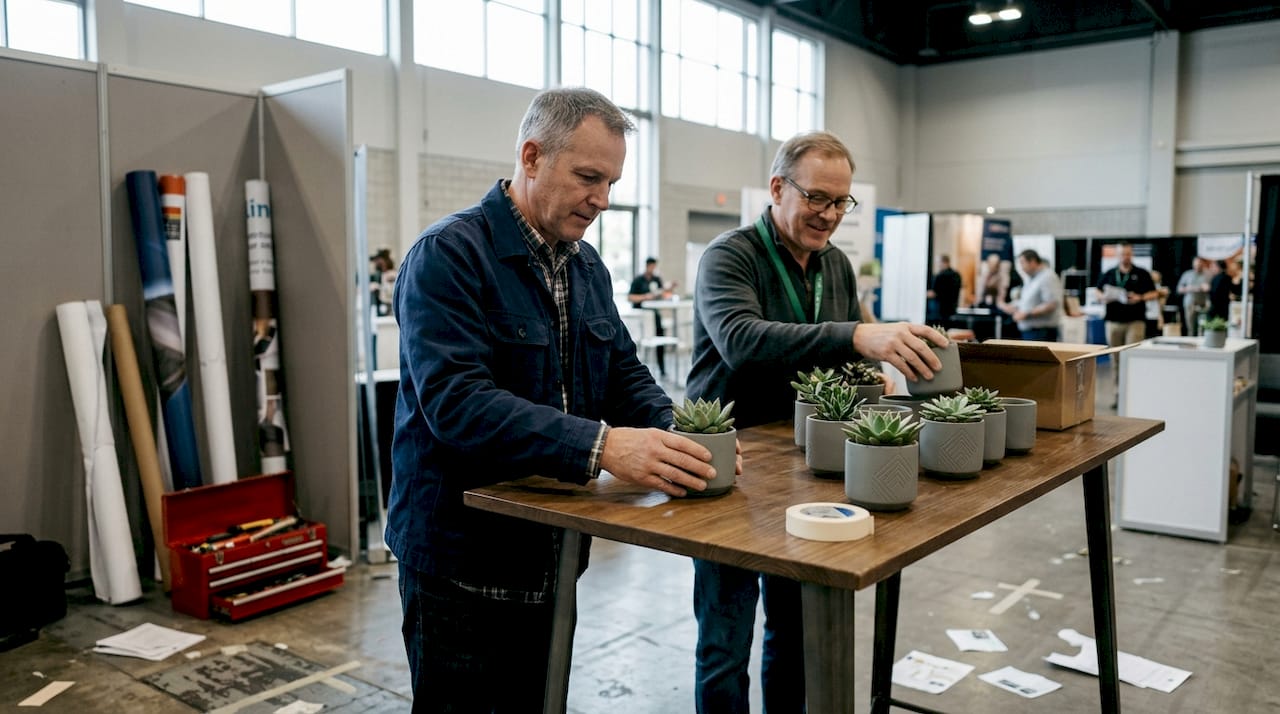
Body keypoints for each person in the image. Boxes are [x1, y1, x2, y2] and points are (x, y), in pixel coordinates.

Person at [387, 87, 722, 712]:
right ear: (533, 156)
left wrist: (680, 430)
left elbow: (623, 371)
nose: (602, 199)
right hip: (461, 564)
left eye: (612, 182)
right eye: (589, 177)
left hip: (553, 552)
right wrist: (602, 446)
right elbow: (458, 403)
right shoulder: (451, 257)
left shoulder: (586, 266)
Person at [685, 130, 947, 713]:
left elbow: (842, 349)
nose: (829, 215)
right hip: (729, 466)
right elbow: (742, 342)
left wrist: (875, 366)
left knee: (794, 628)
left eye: (840, 202)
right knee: (725, 641)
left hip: (805, 466)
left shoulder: (836, 266)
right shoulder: (730, 256)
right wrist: (858, 335)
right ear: (778, 188)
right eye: (817, 198)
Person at [1094, 242, 1157, 349]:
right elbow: (1097, 291)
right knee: (1114, 354)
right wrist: (1103, 297)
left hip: (1135, 320)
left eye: (1128, 254)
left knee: (1132, 352)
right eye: (1122, 254)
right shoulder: (1110, 273)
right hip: (1113, 320)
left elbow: (1154, 293)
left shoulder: (1142, 273)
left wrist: (1140, 297)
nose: (1125, 257)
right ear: (1117, 255)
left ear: (1131, 254)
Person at [999, 249, 1061, 341]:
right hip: (1030, 331)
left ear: (1032, 262)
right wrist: (1013, 306)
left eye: (1022, 263)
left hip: (1041, 332)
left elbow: (1051, 304)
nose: (1021, 267)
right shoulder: (1030, 278)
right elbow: (1028, 301)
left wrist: (1026, 314)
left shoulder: (1048, 277)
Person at [628, 256, 674, 376]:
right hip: (642, 316)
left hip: (654, 315)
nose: (653, 268)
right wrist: (645, 297)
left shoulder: (657, 279)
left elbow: (661, 295)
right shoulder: (638, 280)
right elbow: (630, 297)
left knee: (660, 338)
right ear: (647, 266)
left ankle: (662, 368)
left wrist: (668, 290)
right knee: (642, 342)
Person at [1175, 257, 1213, 336]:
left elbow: (1213, 288)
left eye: (1200, 264)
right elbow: (1179, 289)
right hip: (1190, 304)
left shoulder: (1209, 275)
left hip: (1204, 304)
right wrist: (1189, 288)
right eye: (1196, 265)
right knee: (1191, 327)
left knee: (1203, 326)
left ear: (1203, 264)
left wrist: (1208, 287)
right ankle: (1191, 344)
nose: (1198, 266)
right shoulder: (1187, 274)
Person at [928, 254, 962, 325]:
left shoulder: (940, 276)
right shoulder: (956, 275)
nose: (938, 265)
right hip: (952, 309)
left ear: (944, 262)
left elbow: (934, 293)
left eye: (938, 263)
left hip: (940, 311)